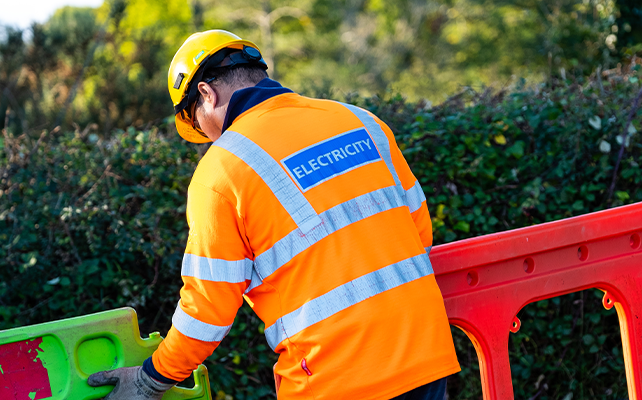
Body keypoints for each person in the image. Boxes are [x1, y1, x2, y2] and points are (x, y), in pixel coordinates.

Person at [88, 29, 460, 400]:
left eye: (195, 120)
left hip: (334, 379)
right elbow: (418, 233)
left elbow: (207, 307)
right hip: (427, 357)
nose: (207, 134)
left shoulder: (220, 172)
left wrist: (150, 379)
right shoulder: (362, 121)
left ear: (205, 93)